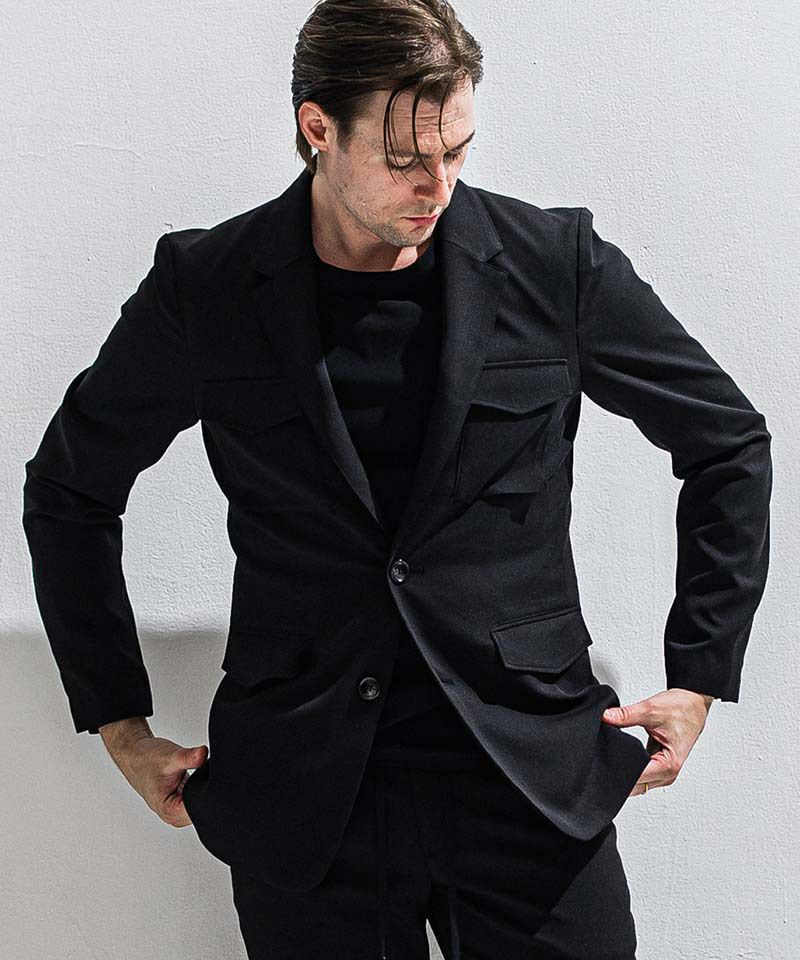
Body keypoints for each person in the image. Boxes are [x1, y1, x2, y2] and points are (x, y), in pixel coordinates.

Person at [22, 2, 772, 958]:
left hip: (529, 780)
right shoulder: (207, 285)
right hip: (306, 796)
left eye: (457, 150)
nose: (438, 184)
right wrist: (119, 724)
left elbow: (727, 442)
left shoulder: (554, 265)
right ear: (318, 128)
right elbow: (70, 490)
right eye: (406, 158)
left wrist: (700, 676)